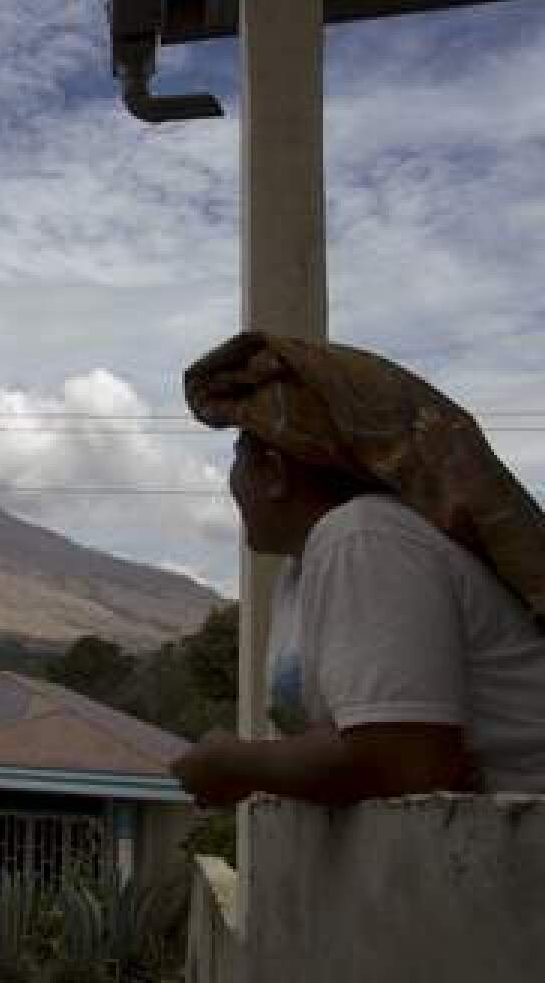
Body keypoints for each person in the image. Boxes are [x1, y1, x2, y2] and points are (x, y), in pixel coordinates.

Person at [170, 332, 545, 807]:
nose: (233, 485)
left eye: (238, 460)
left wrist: (236, 762)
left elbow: (403, 760)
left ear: (274, 472)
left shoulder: (366, 537)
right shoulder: (304, 568)